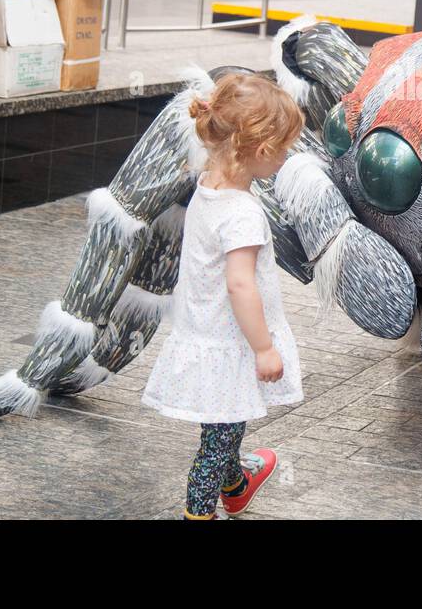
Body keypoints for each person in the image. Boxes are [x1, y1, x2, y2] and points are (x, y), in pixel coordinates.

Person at [141, 74, 305, 519]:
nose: (287, 155)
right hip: (231, 343)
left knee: (224, 423)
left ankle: (236, 483)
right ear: (264, 150)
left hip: (203, 333)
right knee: (218, 439)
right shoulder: (243, 213)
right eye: (286, 146)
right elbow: (240, 285)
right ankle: (201, 510)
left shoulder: (208, 189)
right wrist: (264, 347)